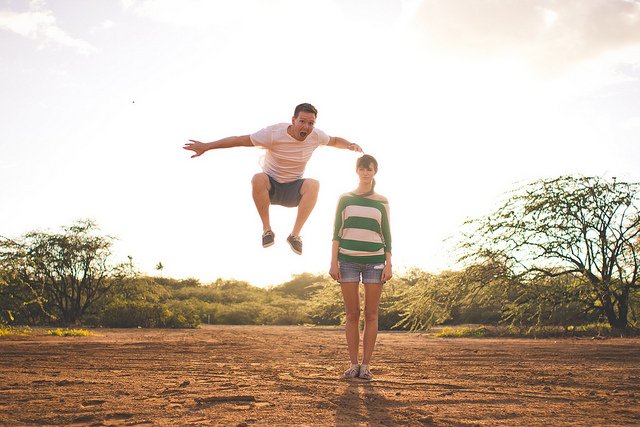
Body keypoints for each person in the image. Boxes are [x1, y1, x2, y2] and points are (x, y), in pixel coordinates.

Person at [183, 103, 362, 255]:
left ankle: (295, 235)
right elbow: (238, 140)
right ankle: (267, 230)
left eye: (311, 123)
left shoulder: (316, 136)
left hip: (294, 190)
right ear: (293, 121)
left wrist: (349, 145)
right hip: (271, 188)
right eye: (302, 122)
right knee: (258, 178)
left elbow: (335, 140)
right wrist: (207, 146)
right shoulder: (273, 133)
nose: (306, 127)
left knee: (314, 184)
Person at [329, 154, 392, 381]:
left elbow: (387, 233)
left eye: (370, 169)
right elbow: (337, 231)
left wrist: (389, 262)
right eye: (363, 169)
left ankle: (366, 366)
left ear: (375, 172)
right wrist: (333, 261)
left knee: (371, 313)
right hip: (347, 260)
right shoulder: (345, 198)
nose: (366, 172)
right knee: (352, 313)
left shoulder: (382, 201)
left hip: (375, 261)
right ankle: (353, 364)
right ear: (357, 171)